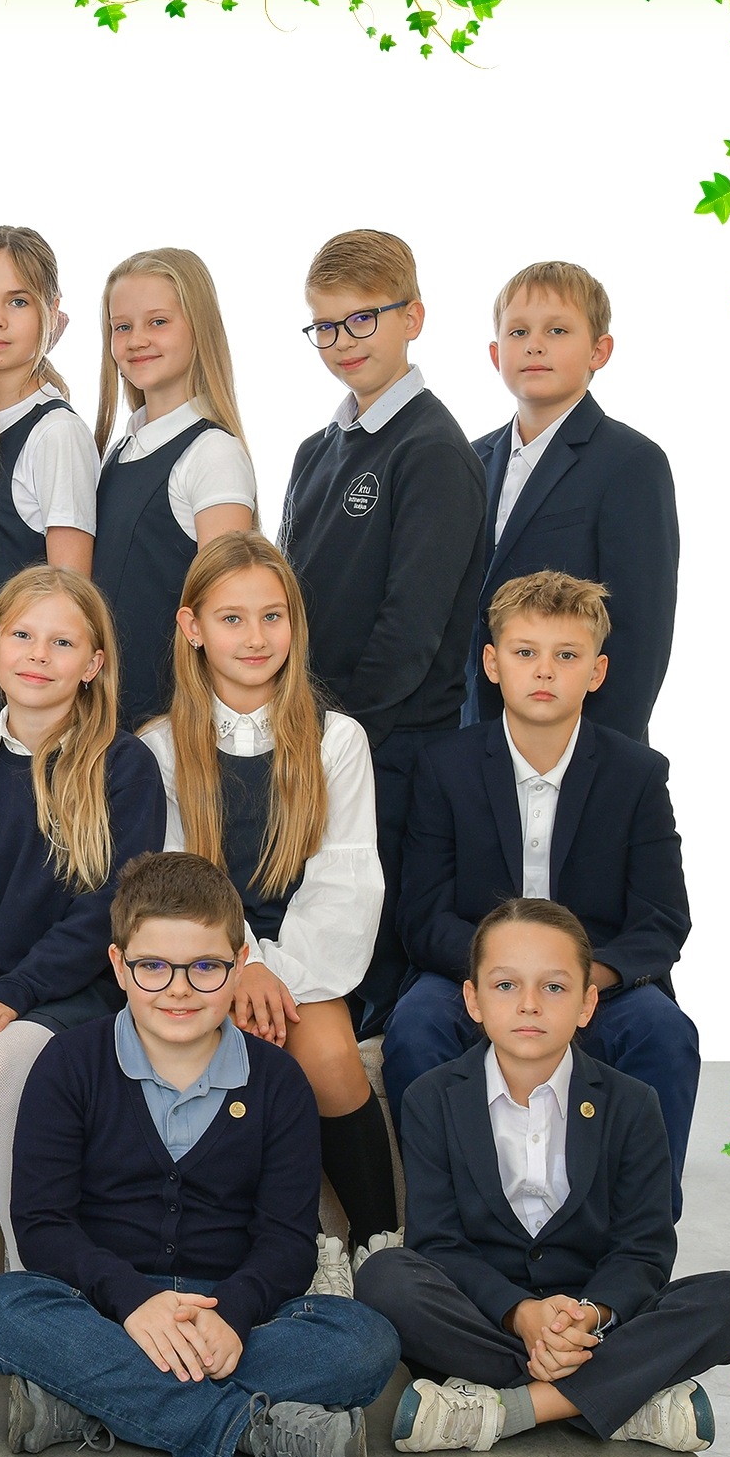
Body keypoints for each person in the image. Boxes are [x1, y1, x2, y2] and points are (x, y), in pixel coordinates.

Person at [0, 851, 400, 1457]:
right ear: (118, 965)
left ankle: (87, 1402)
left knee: (366, 1342)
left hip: (228, 1312)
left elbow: (287, 1242)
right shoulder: (67, 1064)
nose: (179, 989)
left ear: (239, 966)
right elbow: (42, 1226)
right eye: (153, 967)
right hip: (108, 1307)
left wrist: (233, 1314)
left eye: (205, 967)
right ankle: (251, 1430)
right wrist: (135, 1303)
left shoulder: (279, 1081)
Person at [358, 899, 730, 1455]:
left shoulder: (633, 1103)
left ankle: (511, 1408)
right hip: (487, 1315)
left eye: (553, 987)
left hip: (592, 1321)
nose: (529, 1004)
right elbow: (439, 1244)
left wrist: (588, 1317)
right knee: (384, 1278)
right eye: (505, 986)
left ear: (587, 1003)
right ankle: (627, 1396)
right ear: (473, 1000)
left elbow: (643, 1250)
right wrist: (523, 1315)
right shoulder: (433, 1097)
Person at [383, 572, 697, 1211]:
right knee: (416, 1025)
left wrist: (578, 982)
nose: (545, 671)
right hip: (470, 975)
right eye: (525, 652)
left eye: (567, 655)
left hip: (596, 984)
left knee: (666, 1033)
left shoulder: (637, 774)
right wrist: (501, 980)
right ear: (492, 664)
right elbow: (422, 915)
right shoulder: (444, 766)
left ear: (597, 671)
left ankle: (641, 1232)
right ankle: (444, 1224)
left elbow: (663, 919)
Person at [0, 566, 166, 1297]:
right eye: (21, 634)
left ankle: (31, 1284)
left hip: (78, 986)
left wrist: (15, 994)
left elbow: (109, 908)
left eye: (62, 642)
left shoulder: (124, 766)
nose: (38, 654)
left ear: (93, 664)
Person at [139, 533, 398, 1253]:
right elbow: (180, 883)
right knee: (232, 1055)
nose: (255, 638)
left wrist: (272, 974)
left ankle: (380, 1243)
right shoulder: (161, 747)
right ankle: (294, 1253)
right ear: (192, 627)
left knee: (327, 1056)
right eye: (232, 618)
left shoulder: (336, 740)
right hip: (203, 955)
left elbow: (344, 883)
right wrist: (240, 965)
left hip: (308, 960)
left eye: (272, 616)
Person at [276, 229, 486, 1038]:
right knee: (312, 938)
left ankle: (380, 1114)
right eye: (325, 325)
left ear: (412, 318)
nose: (342, 342)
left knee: (377, 956)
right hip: (314, 737)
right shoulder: (315, 450)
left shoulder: (431, 449)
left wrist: (341, 735)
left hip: (390, 747)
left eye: (362, 319)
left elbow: (411, 629)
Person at [468, 260, 678, 744]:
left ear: (599, 351)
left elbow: (639, 634)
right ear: (496, 354)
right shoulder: (470, 460)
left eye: (557, 330)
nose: (535, 345)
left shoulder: (631, 462)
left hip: (581, 741)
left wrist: (599, 759)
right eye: (518, 332)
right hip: (475, 739)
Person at [89, 248, 257, 731]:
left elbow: (230, 611)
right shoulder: (121, 448)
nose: (136, 340)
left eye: (158, 322)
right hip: (106, 721)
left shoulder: (213, 453)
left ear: (198, 328)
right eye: (122, 327)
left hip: (166, 727)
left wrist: (176, 724)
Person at [0, 225, 96, 735]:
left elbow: (71, 598)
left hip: (17, 711)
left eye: (17, 301)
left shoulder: (56, 433)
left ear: (52, 314)